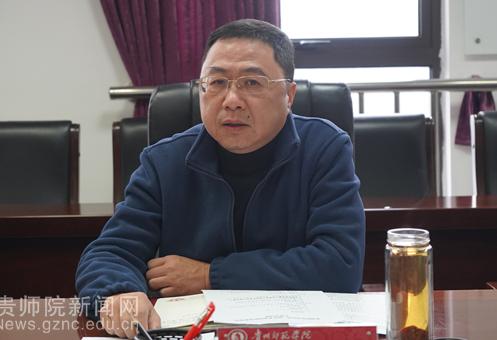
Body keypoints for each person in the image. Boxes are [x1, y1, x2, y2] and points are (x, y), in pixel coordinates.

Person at [75, 19, 365, 338]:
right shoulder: (164, 161)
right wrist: (119, 293)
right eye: (217, 82)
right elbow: (110, 253)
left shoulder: (324, 149)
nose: (232, 100)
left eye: (252, 82)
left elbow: (340, 265)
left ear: (289, 95)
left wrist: (210, 275)